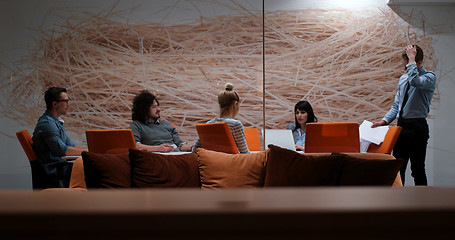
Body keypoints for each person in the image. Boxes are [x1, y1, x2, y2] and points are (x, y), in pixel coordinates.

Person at [372, 45, 436, 186]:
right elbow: (397, 106)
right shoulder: (403, 79)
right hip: (401, 127)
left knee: (417, 169)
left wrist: (411, 58)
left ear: (418, 63)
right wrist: (383, 121)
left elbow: (416, 81)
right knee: (397, 169)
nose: (404, 69)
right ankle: (398, 203)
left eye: (407, 65)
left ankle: (423, 204)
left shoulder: (429, 77)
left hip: (417, 127)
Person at [32, 87, 87, 188]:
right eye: (65, 101)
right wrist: (89, 153)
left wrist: (91, 150)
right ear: (54, 104)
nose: (68, 104)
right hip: (55, 172)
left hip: (60, 168)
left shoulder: (55, 122)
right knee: (91, 170)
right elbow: (63, 150)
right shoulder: (47, 124)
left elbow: (70, 144)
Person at [193, 83, 250, 154]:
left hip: (211, 163)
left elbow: (195, 150)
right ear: (235, 104)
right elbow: (244, 152)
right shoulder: (235, 124)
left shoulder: (208, 124)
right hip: (231, 164)